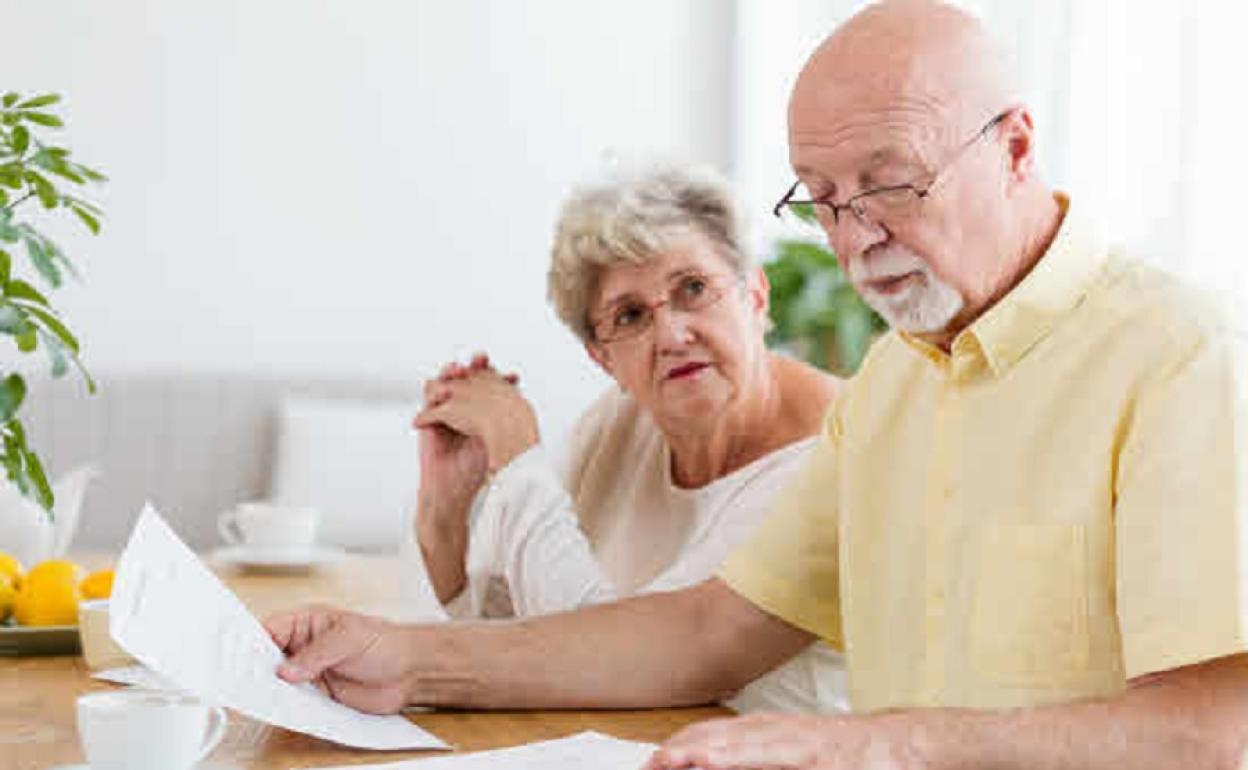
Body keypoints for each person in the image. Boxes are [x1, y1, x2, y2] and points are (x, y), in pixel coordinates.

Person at [264, 2, 1248, 767]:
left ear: (1017, 147)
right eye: (821, 198)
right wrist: (410, 658)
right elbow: (703, 632)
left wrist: (881, 743)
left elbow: (1217, 732)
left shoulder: (1179, 357)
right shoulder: (892, 386)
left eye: (890, 181)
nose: (857, 237)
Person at [409, 164, 845, 713]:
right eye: (631, 315)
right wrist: (444, 514)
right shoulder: (623, 421)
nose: (671, 335)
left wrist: (519, 458)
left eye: (693, 288)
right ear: (602, 357)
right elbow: (510, 634)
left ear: (755, 295)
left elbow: (621, 674)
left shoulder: (836, 451)